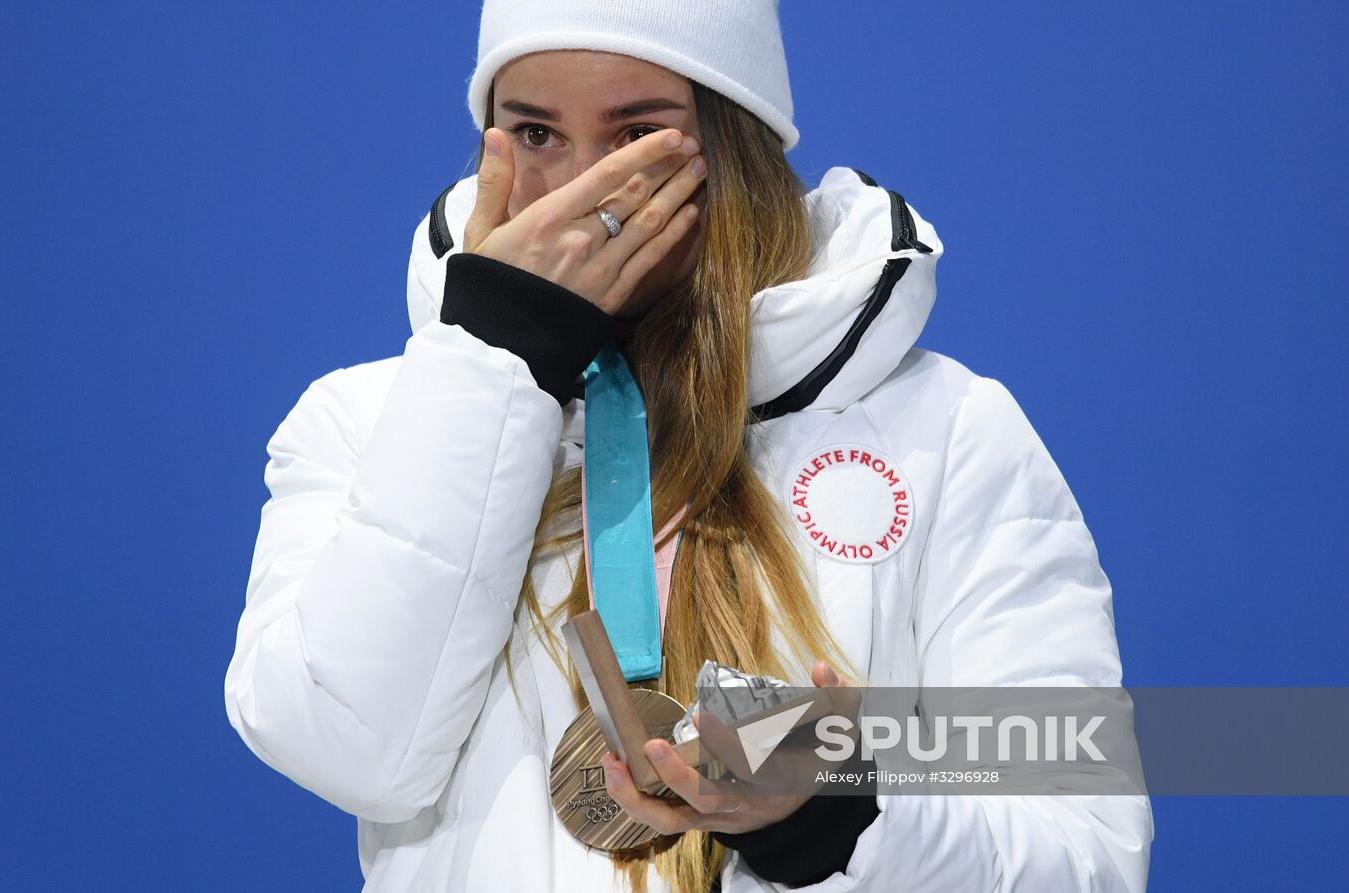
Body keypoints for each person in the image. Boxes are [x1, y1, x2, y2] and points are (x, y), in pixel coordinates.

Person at [222, 1, 1154, 890]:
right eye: (536, 133)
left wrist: (836, 822)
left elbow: (1086, 858)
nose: (586, 190)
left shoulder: (946, 433)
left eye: (636, 137)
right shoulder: (368, 421)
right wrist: (492, 367)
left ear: (736, 145)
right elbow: (344, 747)